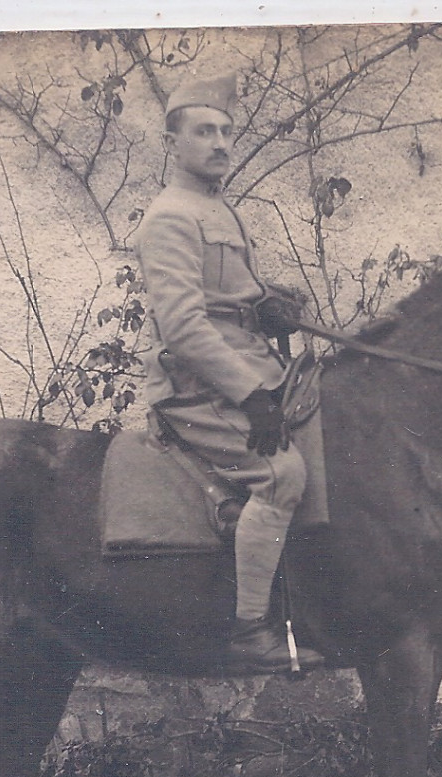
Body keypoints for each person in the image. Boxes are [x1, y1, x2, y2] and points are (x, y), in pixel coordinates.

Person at [136, 73, 324, 674]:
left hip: (246, 362)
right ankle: (248, 630)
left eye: (225, 131)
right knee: (283, 476)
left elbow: (227, 298)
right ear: (172, 143)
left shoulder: (218, 209)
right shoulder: (170, 216)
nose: (219, 142)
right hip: (194, 385)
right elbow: (185, 328)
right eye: (204, 131)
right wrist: (253, 395)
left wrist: (268, 299)